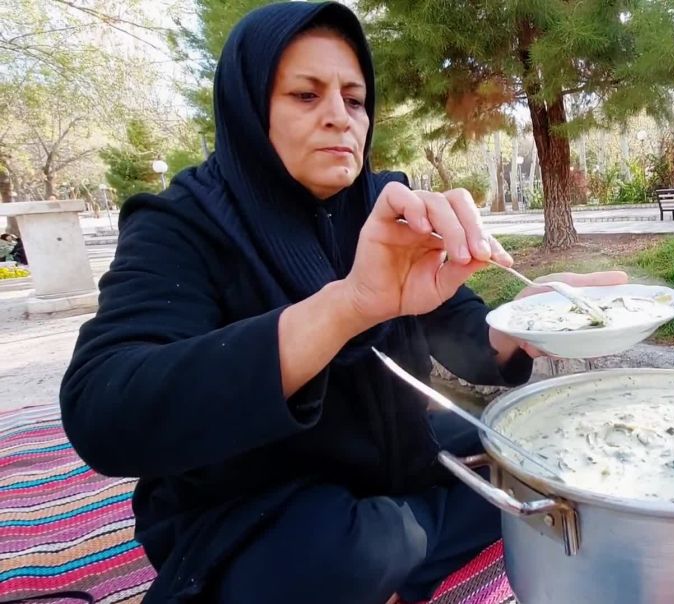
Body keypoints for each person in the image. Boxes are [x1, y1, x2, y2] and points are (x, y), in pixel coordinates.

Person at [59, 3, 625, 604]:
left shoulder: (388, 201)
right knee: (345, 552)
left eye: (354, 100)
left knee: (540, 454)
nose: (340, 118)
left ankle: (415, 535)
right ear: (248, 107)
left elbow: (463, 335)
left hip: (401, 464)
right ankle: (418, 537)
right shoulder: (181, 222)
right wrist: (347, 307)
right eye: (306, 96)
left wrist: (521, 322)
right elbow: (104, 411)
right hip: (261, 506)